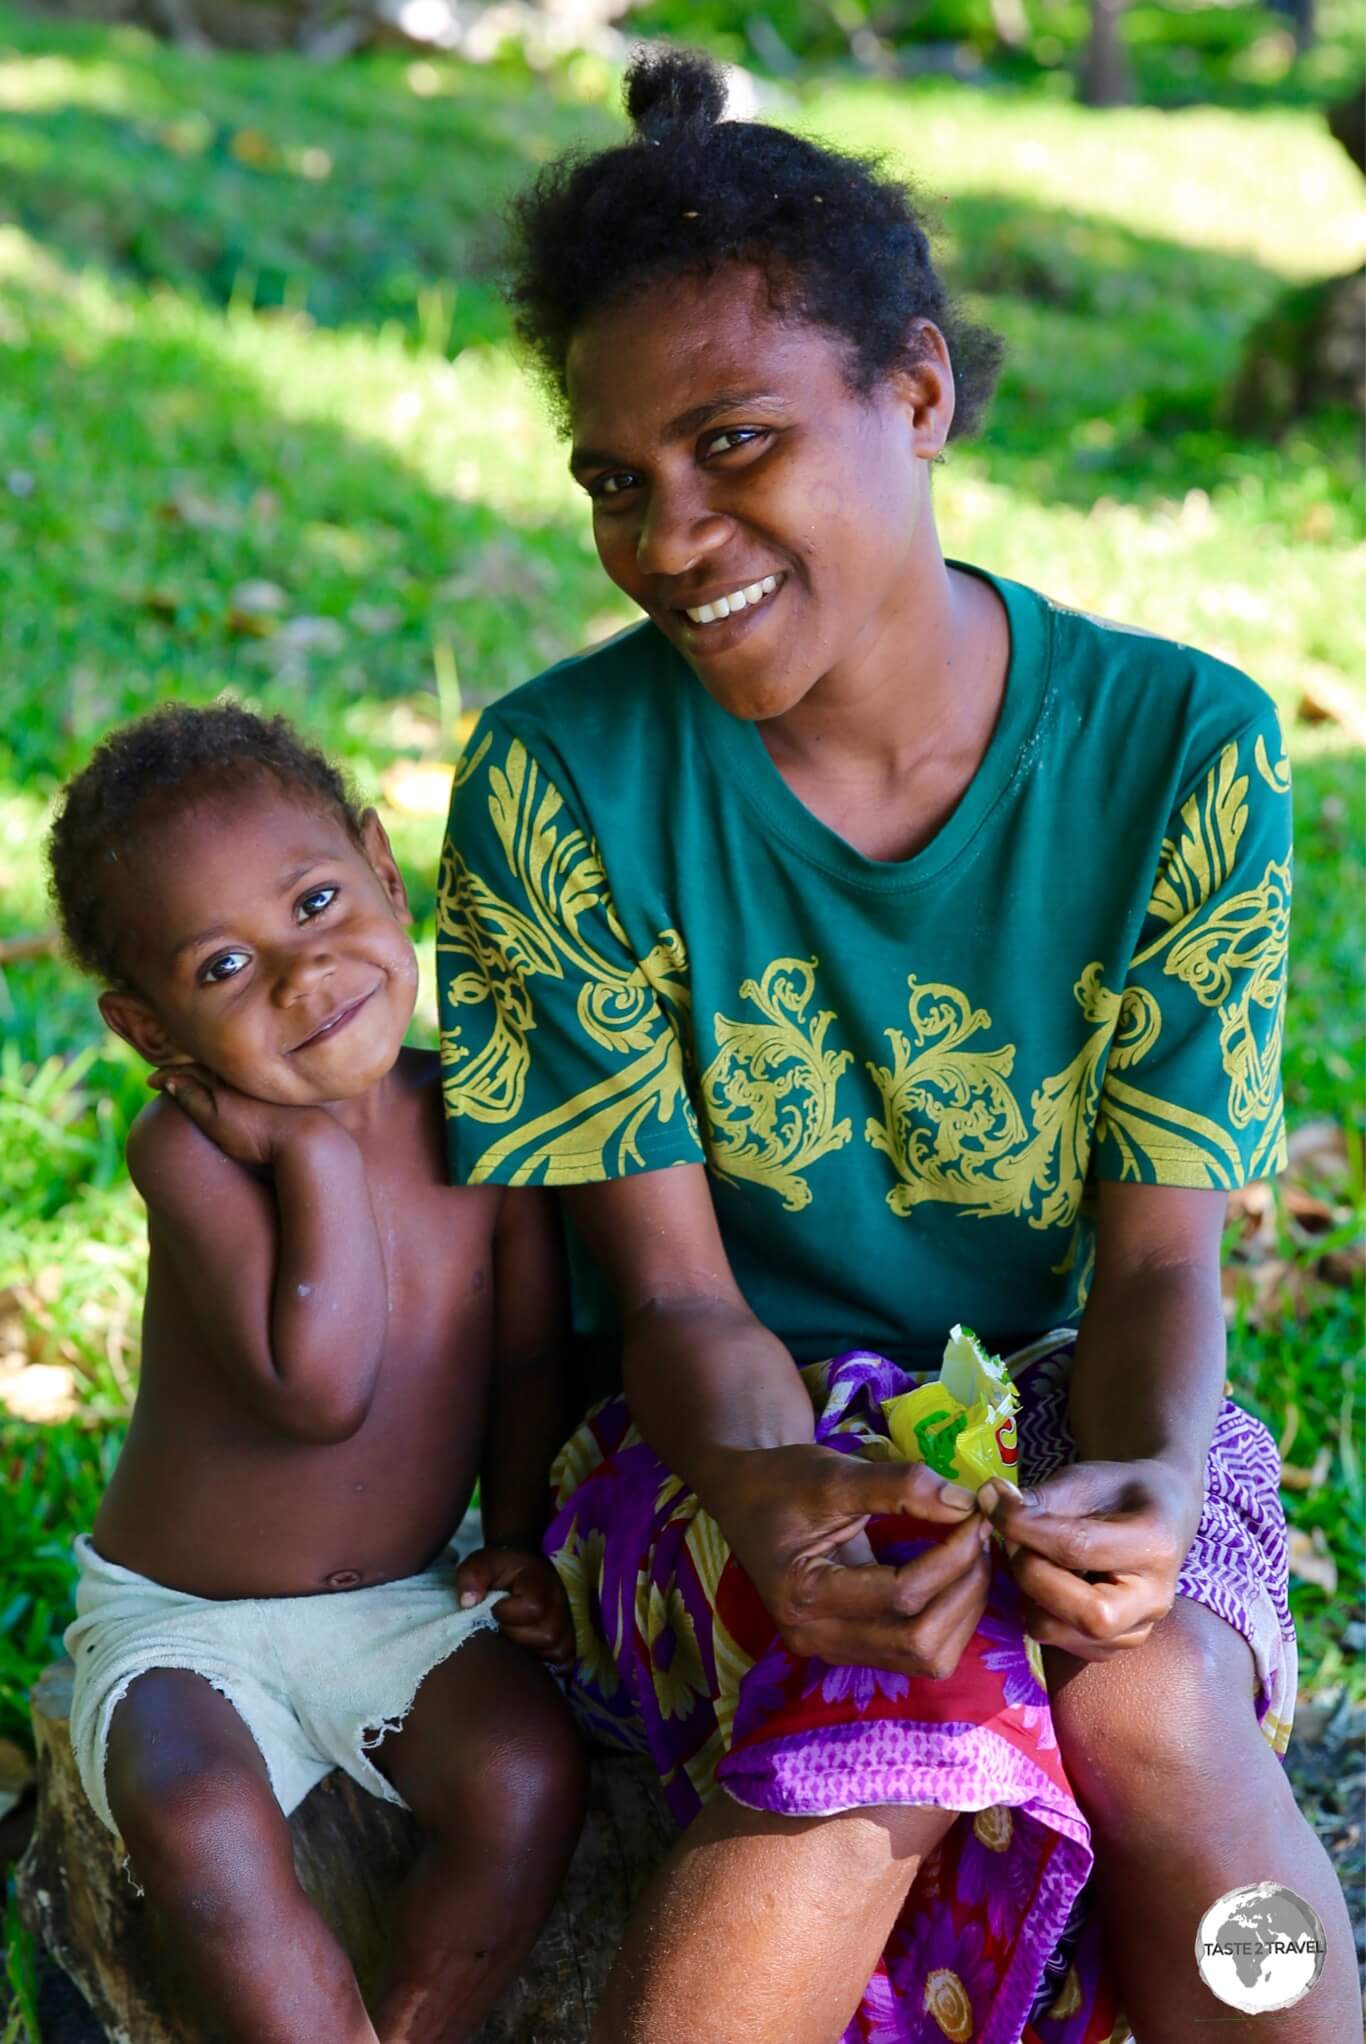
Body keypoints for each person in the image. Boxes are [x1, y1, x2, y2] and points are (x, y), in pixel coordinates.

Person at [440, 46, 1355, 2044]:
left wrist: (1123, 1473)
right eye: (615, 478)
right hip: (710, 1429)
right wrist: (774, 1489)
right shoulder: (558, 785)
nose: (667, 535)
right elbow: (671, 1295)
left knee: (1151, 1700)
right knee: (889, 1715)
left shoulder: (1175, 749)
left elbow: (1154, 1258)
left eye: (735, 443)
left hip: (1072, 1386)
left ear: (917, 394)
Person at [46, 703, 587, 2044]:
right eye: (221, 964)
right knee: (199, 1823)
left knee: (524, 1781)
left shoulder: (482, 1121)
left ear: (383, 869)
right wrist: (321, 1156)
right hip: (185, 1622)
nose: (302, 972)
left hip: (400, 1609)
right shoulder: (192, 1157)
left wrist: (515, 1536)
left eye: (317, 899)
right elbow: (320, 1388)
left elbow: (525, 1358)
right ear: (147, 1025)